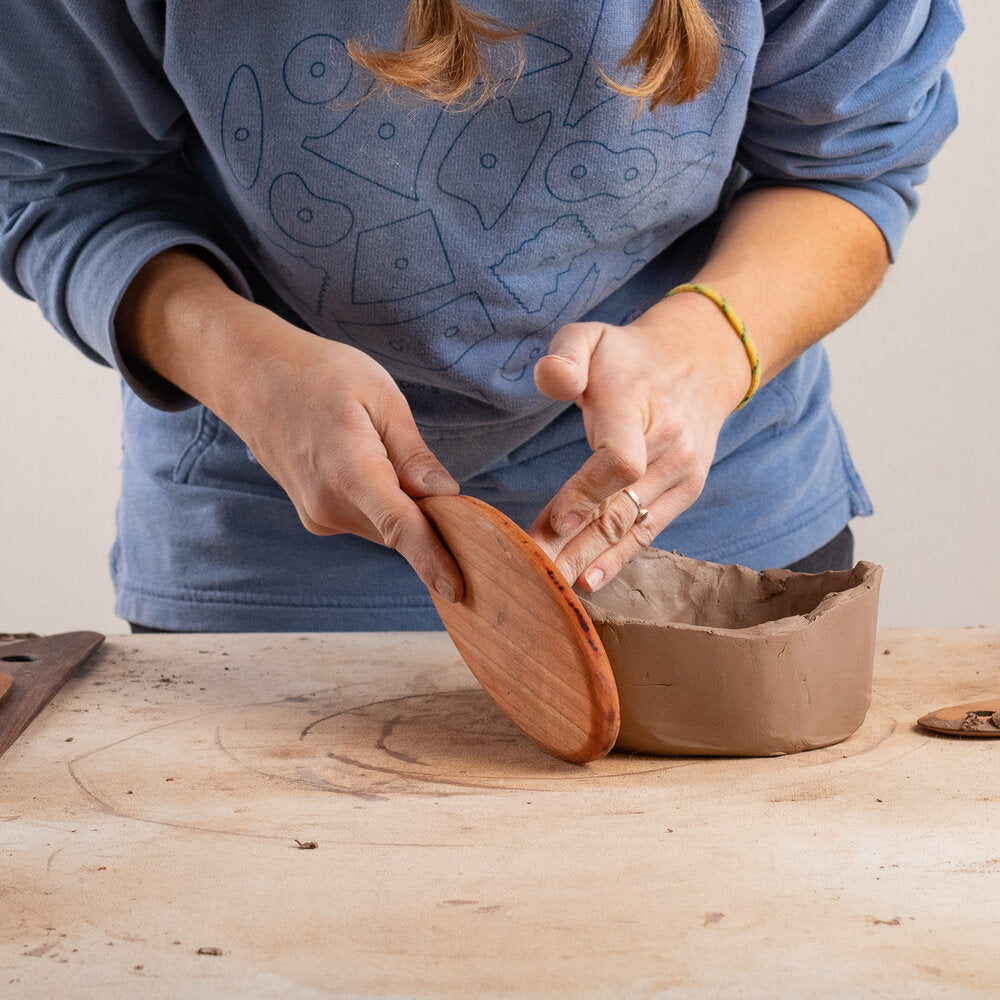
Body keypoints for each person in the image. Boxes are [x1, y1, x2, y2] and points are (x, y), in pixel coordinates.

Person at [0, 1, 962, 632]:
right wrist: (243, 365)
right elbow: (54, 180)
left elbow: (852, 161)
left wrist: (704, 348)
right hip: (277, 570)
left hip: (715, 554)